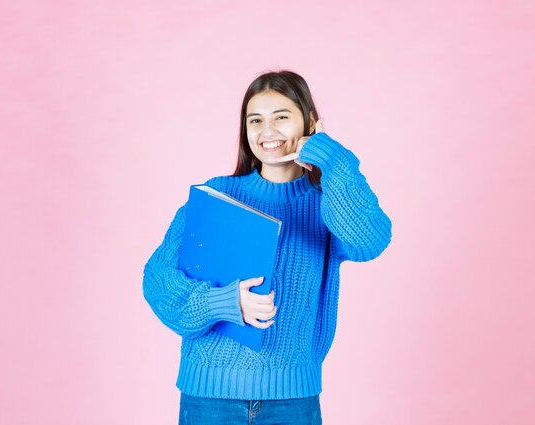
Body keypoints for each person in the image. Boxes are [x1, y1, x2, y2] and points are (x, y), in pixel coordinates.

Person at [142, 70, 392, 424]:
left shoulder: (328, 205)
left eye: (282, 117)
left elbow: (370, 240)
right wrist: (224, 302)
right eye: (255, 120)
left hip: (292, 401)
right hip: (210, 399)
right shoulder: (218, 196)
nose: (267, 131)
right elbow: (157, 280)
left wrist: (331, 158)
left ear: (309, 122)